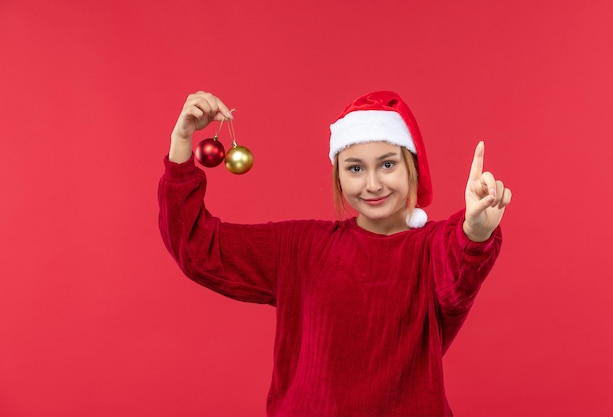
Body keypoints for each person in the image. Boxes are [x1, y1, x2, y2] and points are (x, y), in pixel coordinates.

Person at [158, 90, 512, 417]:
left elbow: (458, 272)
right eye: (355, 168)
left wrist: (476, 231)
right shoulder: (300, 247)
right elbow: (198, 248)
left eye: (387, 164)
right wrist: (181, 144)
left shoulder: (433, 248)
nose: (372, 184)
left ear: (413, 168)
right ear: (339, 177)